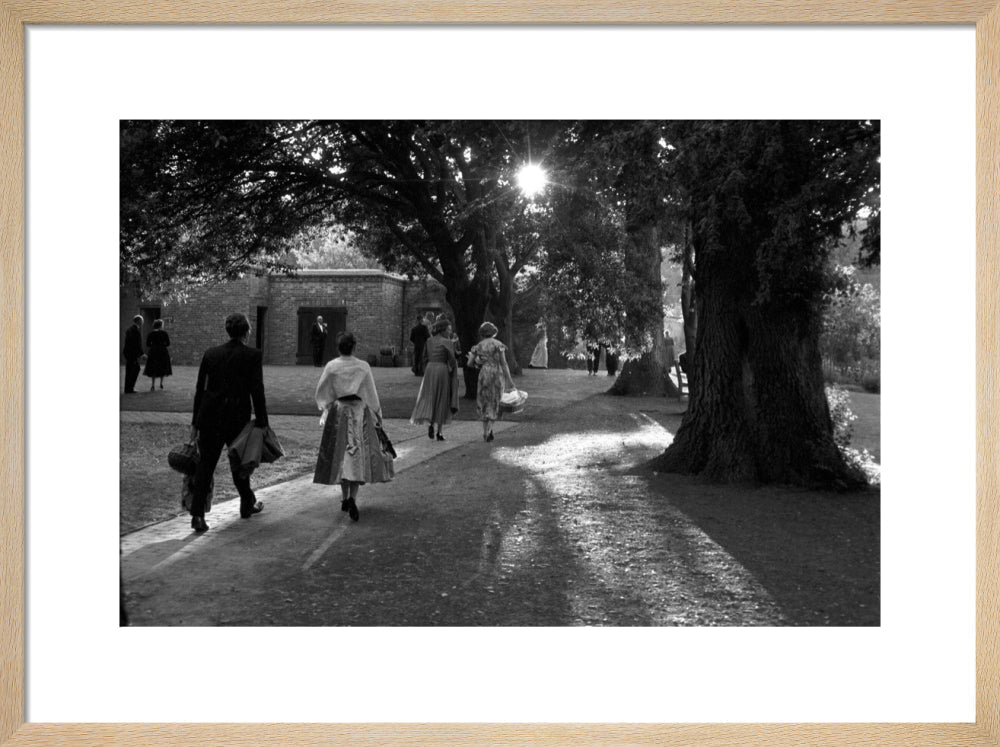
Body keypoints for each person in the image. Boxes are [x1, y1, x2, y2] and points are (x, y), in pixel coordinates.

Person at [187, 312, 268, 533]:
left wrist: (195, 422)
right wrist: (262, 421)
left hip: (210, 416)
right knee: (239, 464)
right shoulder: (252, 355)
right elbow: (256, 390)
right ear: (247, 332)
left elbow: (200, 390)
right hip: (237, 418)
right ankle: (246, 503)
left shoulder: (211, 354)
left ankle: (197, 515)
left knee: (206, 466)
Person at [314, 332, 393, 522]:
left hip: (340, 412)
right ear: (354, 347)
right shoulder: (362, 367)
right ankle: (352, 498)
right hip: (358, 412)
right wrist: (377, 414)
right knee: (356, 455)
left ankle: (344, 497)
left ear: (338, 347)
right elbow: (370, 393)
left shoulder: (332, 366)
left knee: (341, 454)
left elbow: (322, 391)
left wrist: (325, 407)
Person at [409, 317, 459, 441]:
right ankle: (439, 432)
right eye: (448, 329)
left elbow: (424, 357)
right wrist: (453, 366)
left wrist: (428, 368)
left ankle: (431, 424)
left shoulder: (429, 341)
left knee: (431, 396)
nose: (450, 332)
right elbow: (452, 360)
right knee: (442, 398)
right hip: (442, 370)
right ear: (442, 330)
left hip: (430, 370)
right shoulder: (447, 342)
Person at [468, 321, 515, 443]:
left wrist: (479, 363)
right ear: (493, 332)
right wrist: (510, 381)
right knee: (495, 400)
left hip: (484, 373)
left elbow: (469, 363)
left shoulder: (478, 346)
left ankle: (486, 430)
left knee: (484, 401)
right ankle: (488, 430)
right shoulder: (498, 344)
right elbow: (504, 364)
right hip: (496, 373)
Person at [143, 319, 172, 390]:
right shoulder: (164, 333)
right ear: (161, 325)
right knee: (162, 366)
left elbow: (148, 344)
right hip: (162, 351)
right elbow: (168, 343)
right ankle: (161, 383)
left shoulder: (151, 333)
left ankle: (153, 385)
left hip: (153, 352)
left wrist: (154, 345)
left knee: (153, 367)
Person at [122, 314, 144, 394]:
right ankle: (130, 388)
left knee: (130, 370)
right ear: (138, 321)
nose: (142, 322)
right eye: (142, 321)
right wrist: (141, 354)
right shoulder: (135, 330)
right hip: (132, 354)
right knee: (134, 369)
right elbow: (136, 344)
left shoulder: (130, 329)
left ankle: (128, 388)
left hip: (128, 353)